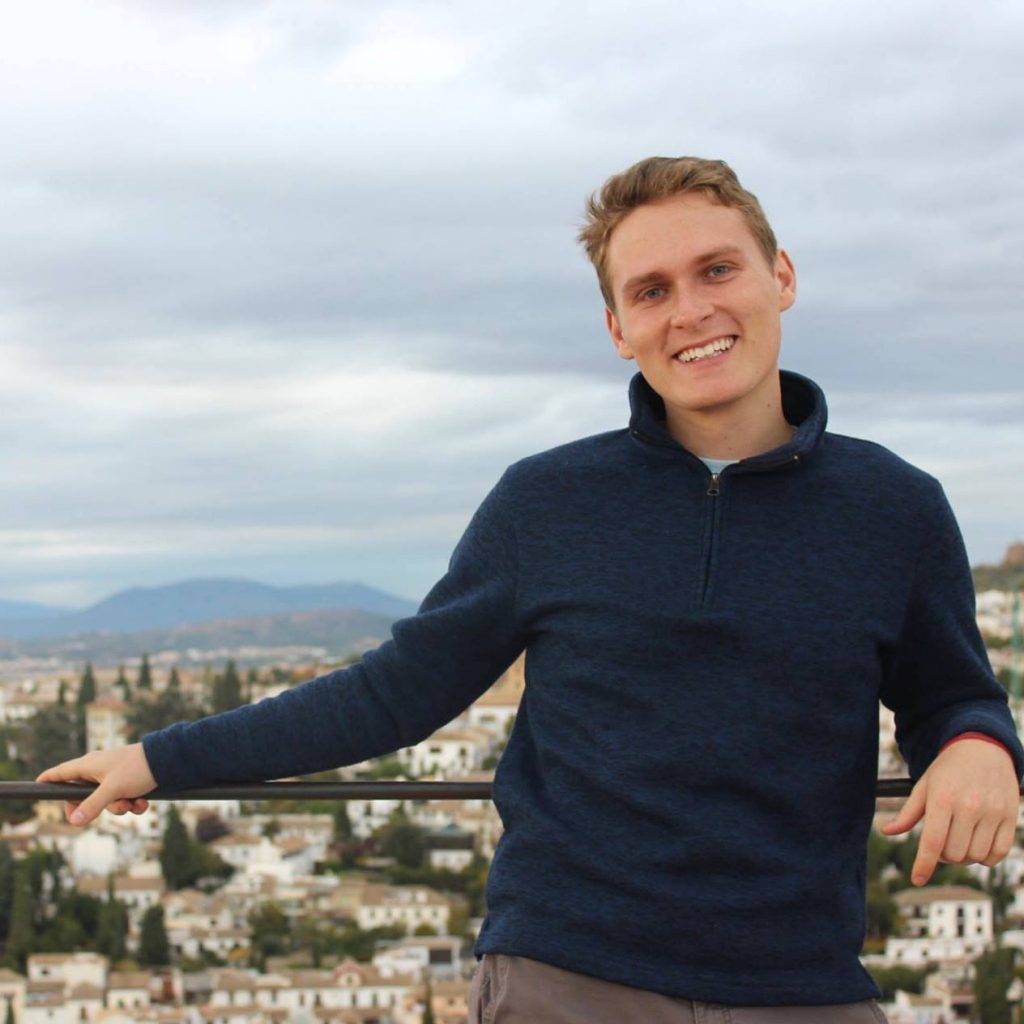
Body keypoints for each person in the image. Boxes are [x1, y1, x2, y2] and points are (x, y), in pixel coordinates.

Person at [39, 157, 1023, 1023]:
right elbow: (398, 689)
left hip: (804, 982)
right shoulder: (547, 500)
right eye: (651, 290)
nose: (690, 311)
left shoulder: (895, 508)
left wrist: (980, 742)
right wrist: (159, 757)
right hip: (564, 979)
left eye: (716, 269)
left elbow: (950, 693)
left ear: (782, 277)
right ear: (616, 327)